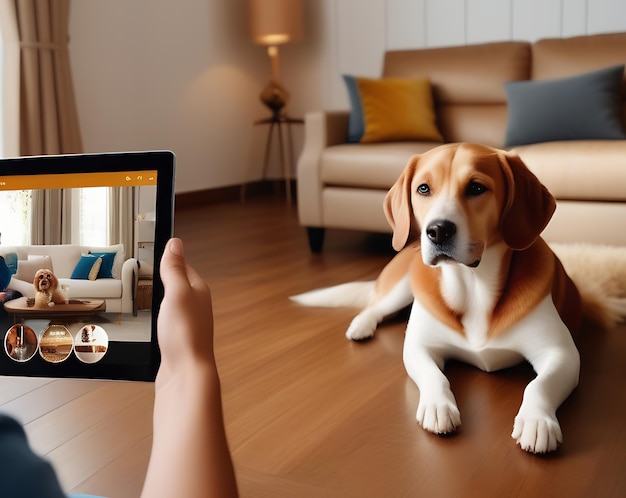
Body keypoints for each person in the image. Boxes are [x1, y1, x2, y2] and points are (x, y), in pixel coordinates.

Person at [0, 238, 239, 498]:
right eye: (42, 277)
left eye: (47, 276)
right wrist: (187, 370)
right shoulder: (17, 464)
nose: (44, 278)